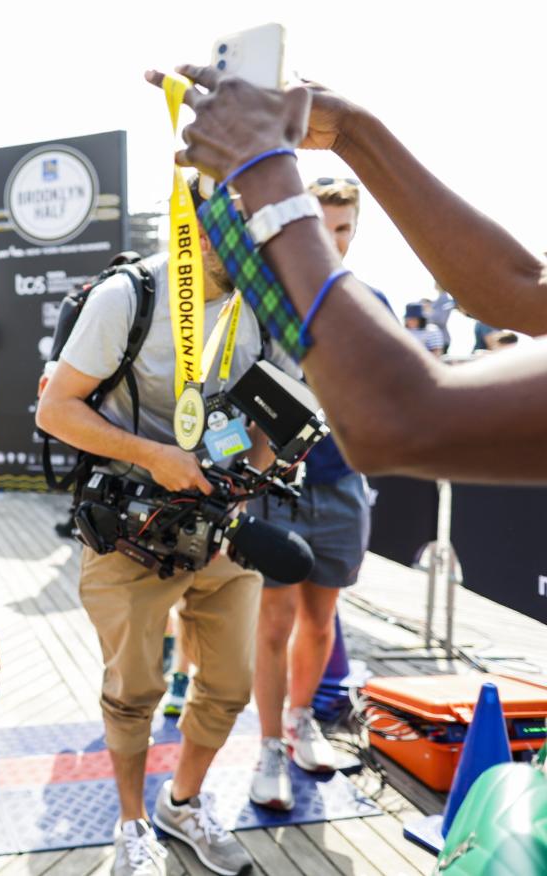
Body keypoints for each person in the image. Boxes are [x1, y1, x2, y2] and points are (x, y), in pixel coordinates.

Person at [37, 176, 297, 876]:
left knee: (231, 685)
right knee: (133, 691)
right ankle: (131, 824)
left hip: (222, 526)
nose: (258, 250)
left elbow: (274, 413)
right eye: (240, 234)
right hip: (128, 527)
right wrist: (157, 456)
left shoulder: (265, 309)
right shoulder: (130, 298)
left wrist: (252, 476)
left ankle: (183, 803)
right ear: (197, 229)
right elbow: (54, 410)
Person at [144, 65, 547, 483]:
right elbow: (520, 287)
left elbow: (396, 421)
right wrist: (350, 131)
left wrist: (264, 169)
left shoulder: (364, 298)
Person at [248, 178, 386, 811]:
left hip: (340, 486)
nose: (331, 242)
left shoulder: (370, 302)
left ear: (354, 233)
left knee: (322, 619)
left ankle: (302, 720)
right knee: (273, 621)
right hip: (275, 488)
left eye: (342, 230)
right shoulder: (263, 304)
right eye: (319, 229)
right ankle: (269, 746)